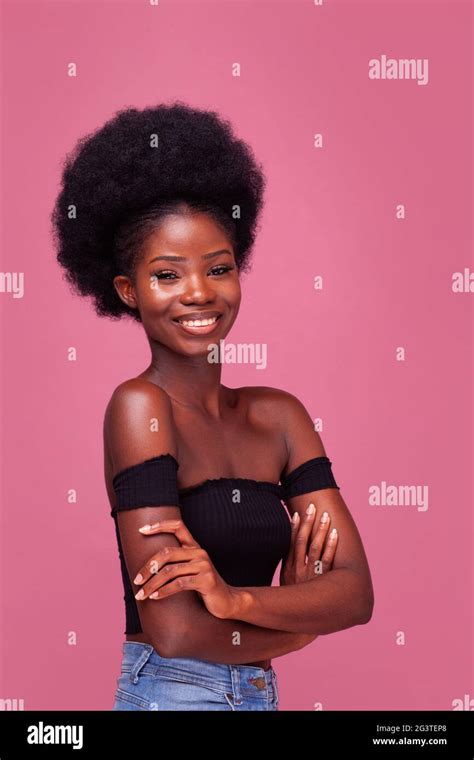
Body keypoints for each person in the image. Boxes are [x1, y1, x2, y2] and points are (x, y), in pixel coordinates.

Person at [51, 101, 374, 711]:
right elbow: (174, 632)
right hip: (171, 694)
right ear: (128, 291)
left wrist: (236, 600)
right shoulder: (139, 407)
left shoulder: (280, 417)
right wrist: (300, 625)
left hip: (257, 694)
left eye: (218, 268)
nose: (199, 292)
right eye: (167, 275)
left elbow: (355, 594)